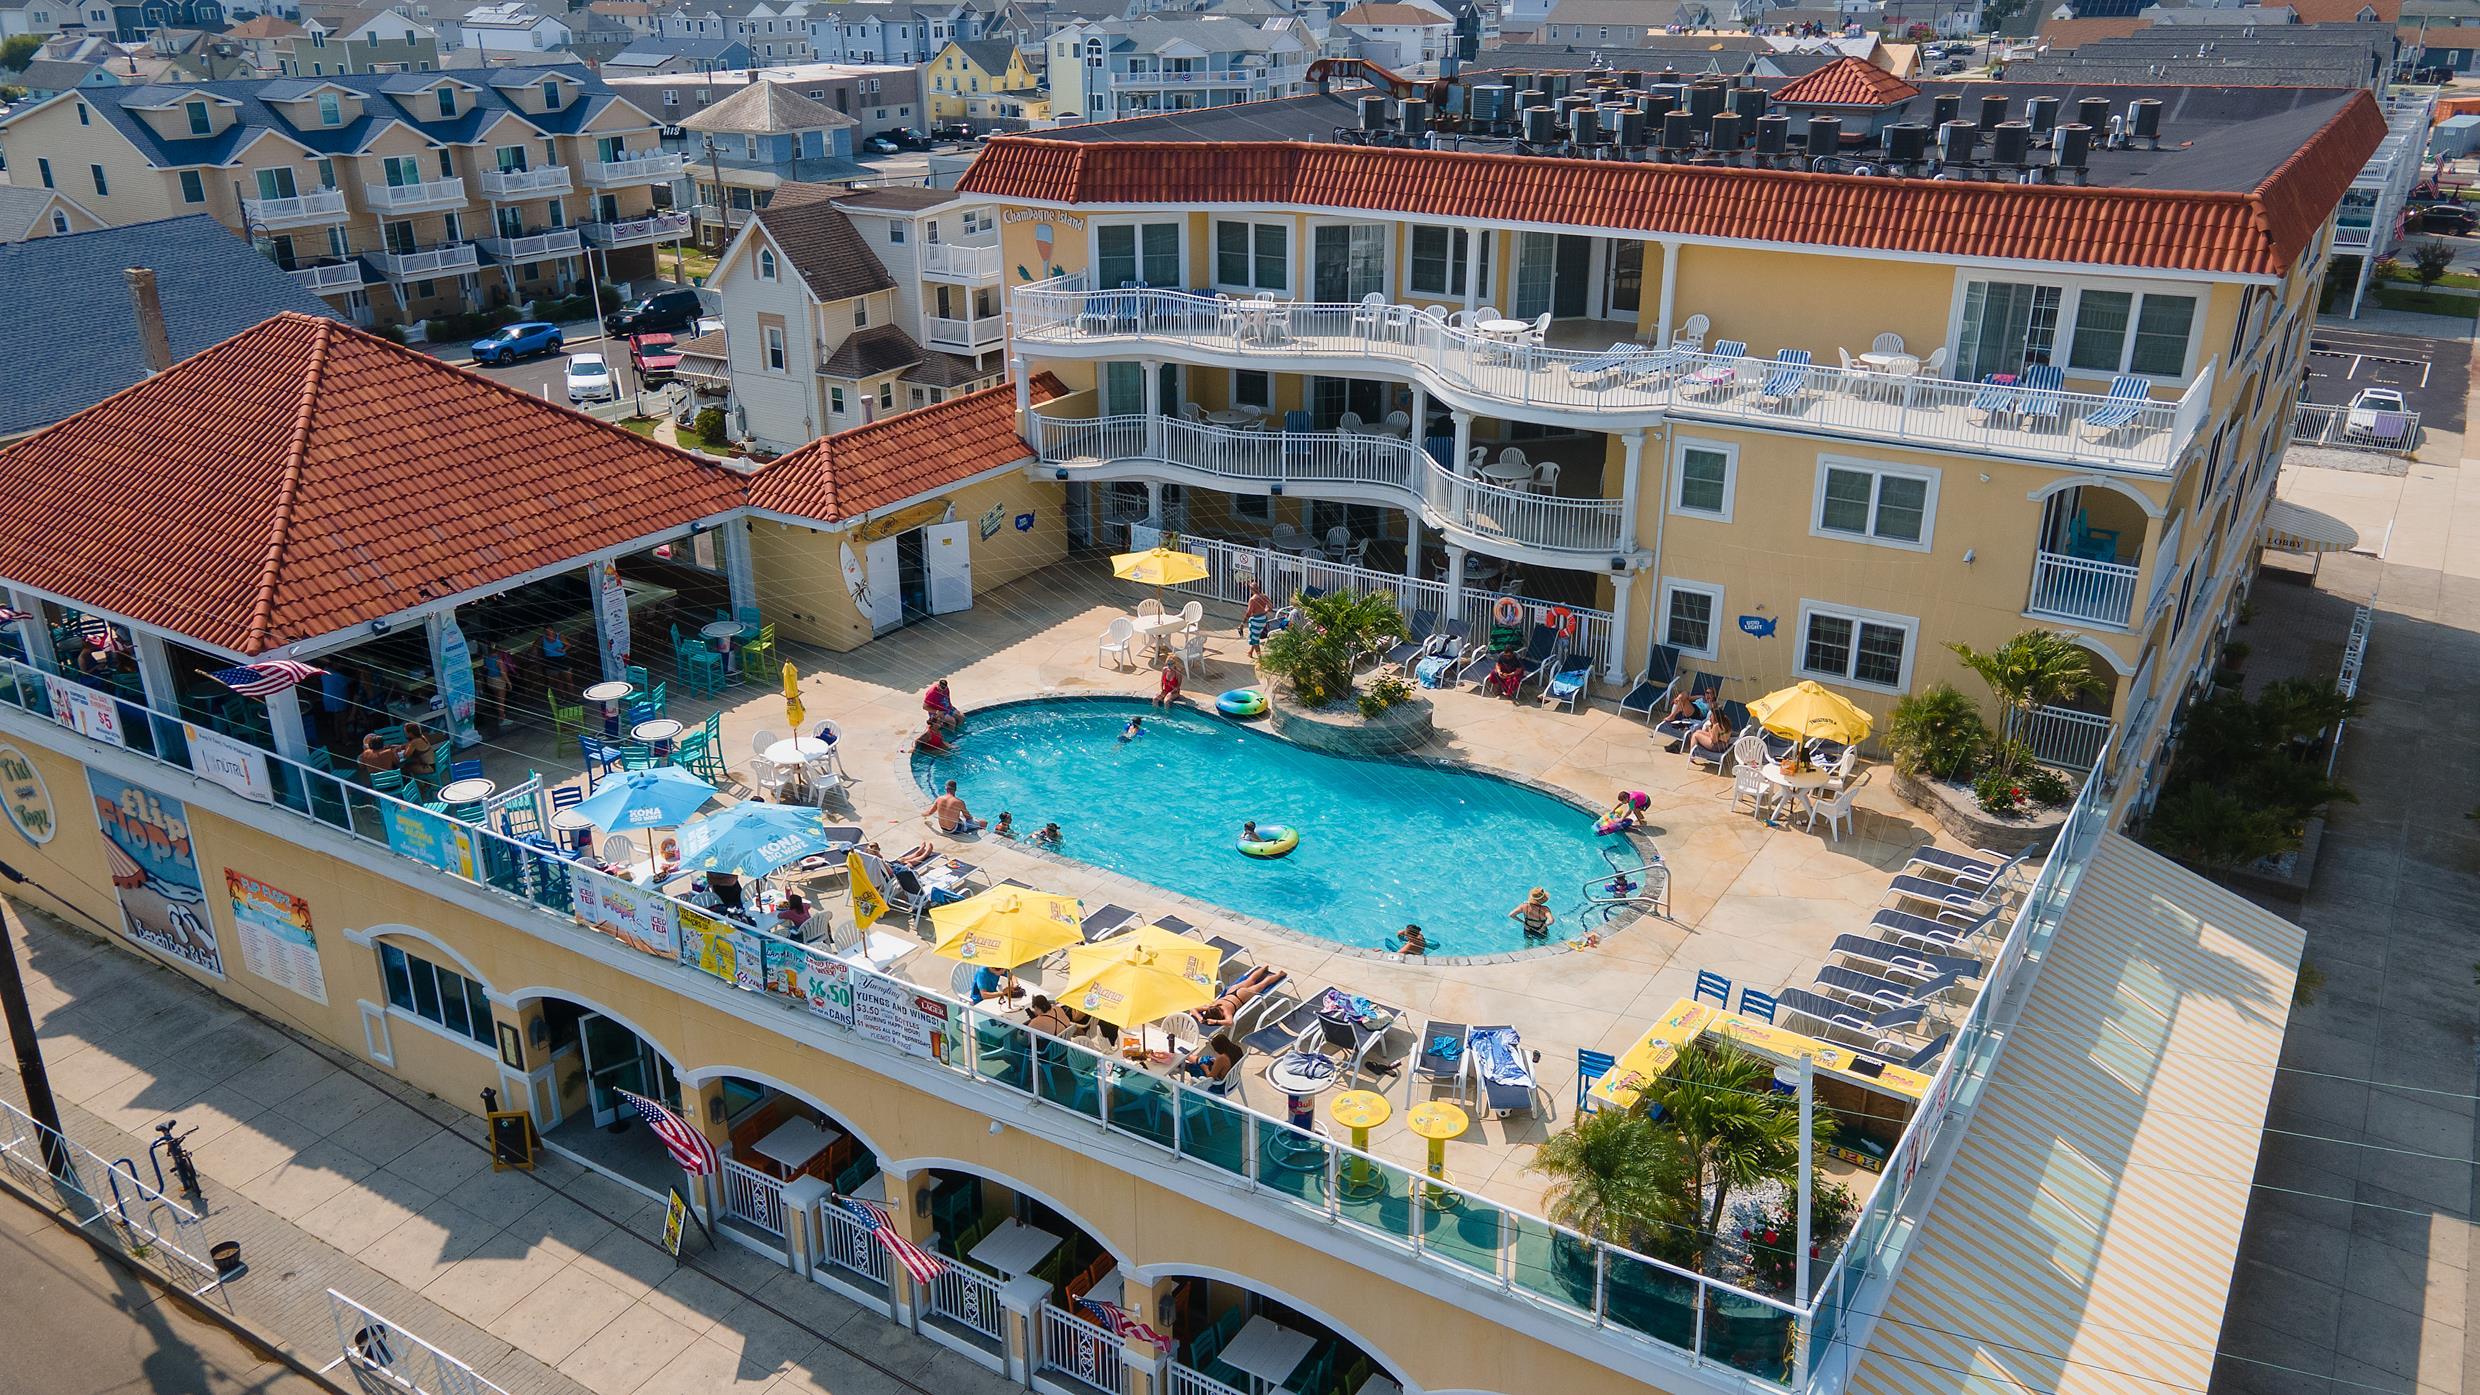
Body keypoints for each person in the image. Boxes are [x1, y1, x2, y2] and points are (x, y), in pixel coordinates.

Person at [1195, 966, 1287, 1028]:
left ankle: (1279, 974)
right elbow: (1193, 1008)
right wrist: (1199, 1017)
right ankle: (1263, 968)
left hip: (1242, 996)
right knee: (1251, 980)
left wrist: (1216, 1022)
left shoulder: (1226, 1011)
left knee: (1263, 983)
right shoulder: (1211, 1006)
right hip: (1232, 991)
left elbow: (1230, 1022)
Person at [1176, 1032, 1245, 1085]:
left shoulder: (1222, 1058)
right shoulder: (1236, 1049)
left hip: (1219, 1083)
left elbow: (1210, 1077)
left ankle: (1182, 1062)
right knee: (1207, 1059)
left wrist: (1205, 1068)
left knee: (1194, 1066)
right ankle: (1189, 1057)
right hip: (1230, 1076)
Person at [1243, 581, 1273, 658]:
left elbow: (1248, 613)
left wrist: (1242, 623)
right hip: (1263, 619)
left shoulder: (1252, 599)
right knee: (1255, 636)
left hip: (1255, 620)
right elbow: (1270, 607)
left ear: (1251, 590)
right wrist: (1265, 610)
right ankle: (1250, 652)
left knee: (1255, 640)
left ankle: (1260, 658)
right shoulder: (1264, 596)